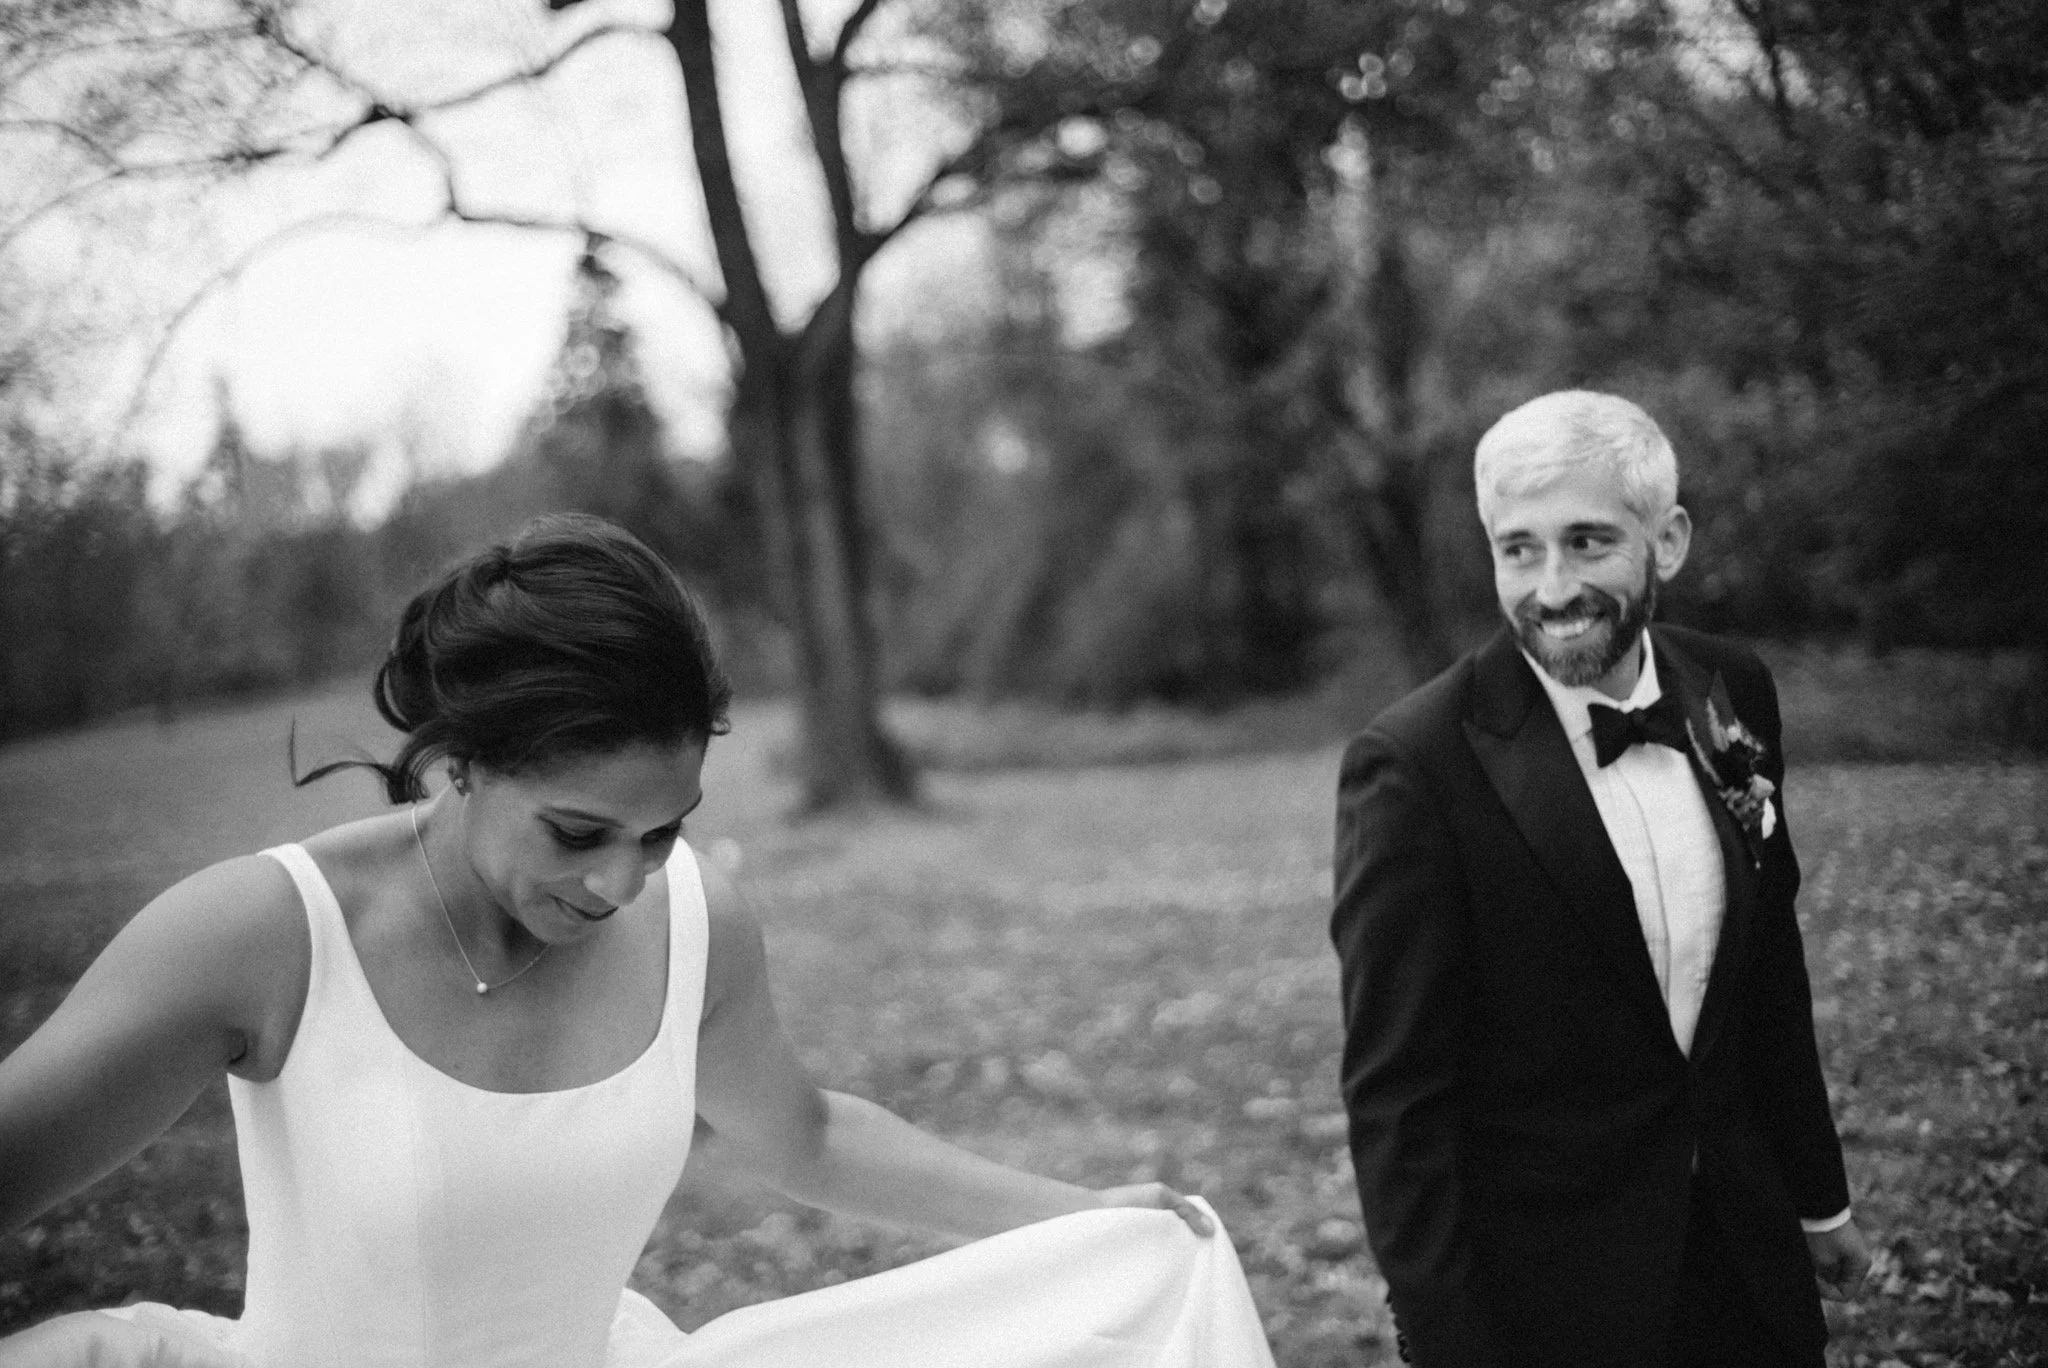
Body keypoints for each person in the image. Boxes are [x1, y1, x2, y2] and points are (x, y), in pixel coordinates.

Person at [0, 514, 1274, 1368]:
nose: (620, 883)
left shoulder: (697, 922)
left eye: (662, 832)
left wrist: (1075, 1216)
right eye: (576, 832)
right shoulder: (264, 935)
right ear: (460, 762)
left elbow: (807, 1136)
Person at [1329, 392, 1872, 1368]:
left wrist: (1815, 1197)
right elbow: (1397, 1100)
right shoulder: (1415, 765)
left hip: (1746, 1264)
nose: (1553, 588)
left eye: (1586, 543)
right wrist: (1448, 1345)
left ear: (1667, 541)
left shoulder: (1729, 691)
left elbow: (1767, 965)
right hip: (1546, 1297)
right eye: (1519, 549)